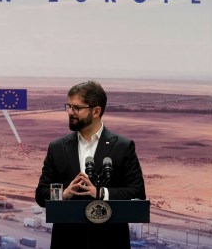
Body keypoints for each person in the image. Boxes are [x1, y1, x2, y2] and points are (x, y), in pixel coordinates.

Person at [35, 81, 146, 249]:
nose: (70, 112)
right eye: (68, 107)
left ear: (96, 111)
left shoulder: (123, 147)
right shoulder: (57, 148)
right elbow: (40, 194)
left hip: (110, 241)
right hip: (66, 241)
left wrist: (101, 193)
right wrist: (63, 194)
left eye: (77, 108)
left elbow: (138, 192)